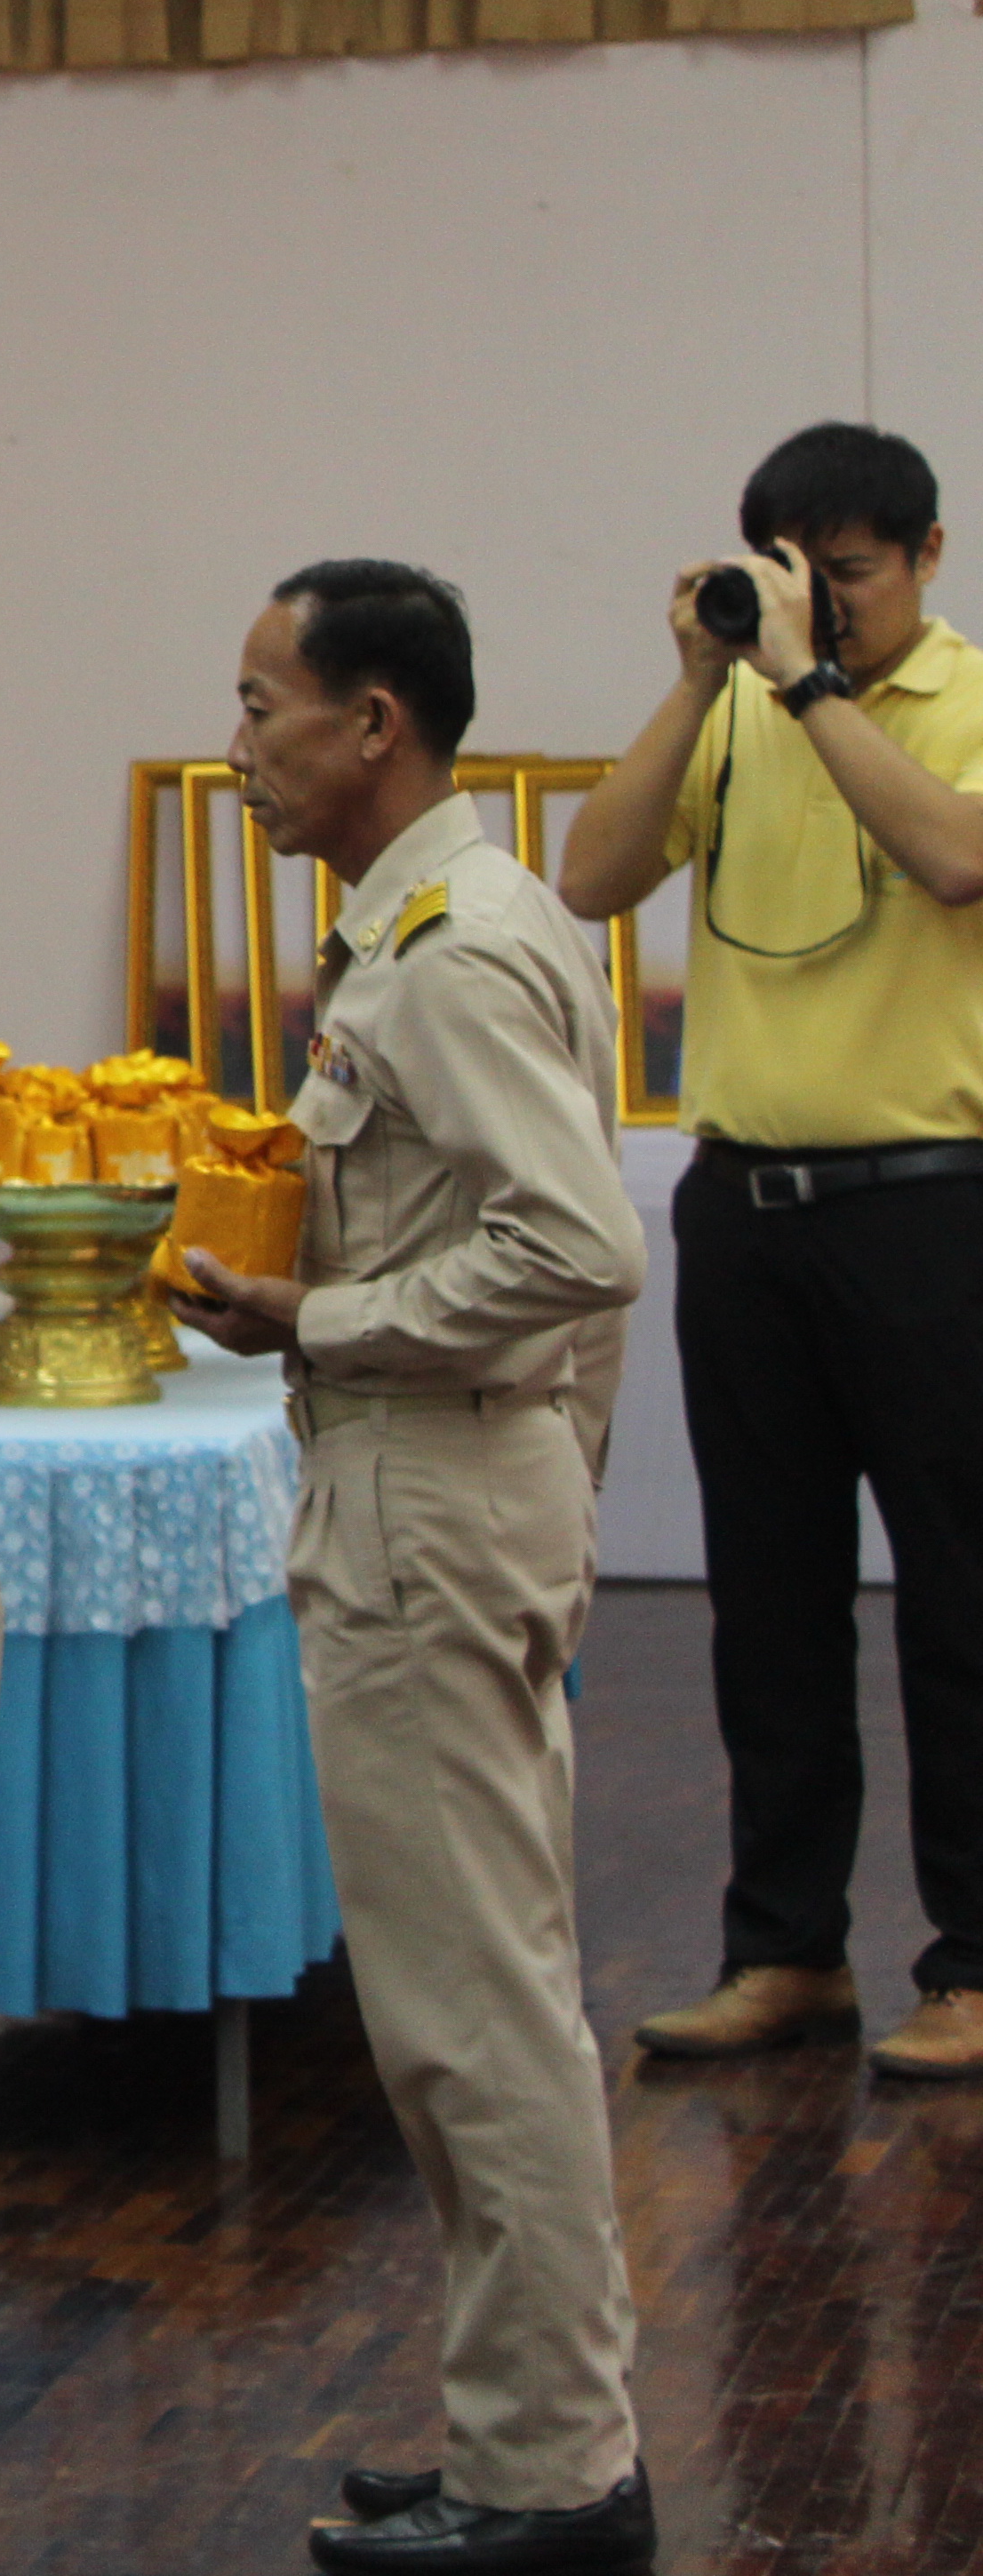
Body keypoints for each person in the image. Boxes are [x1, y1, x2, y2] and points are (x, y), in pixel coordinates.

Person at [172, 561, 654, 2576]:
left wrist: (320, 1321)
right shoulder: (458, 913)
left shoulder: (446, 953)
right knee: (469, 2003)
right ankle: (522, 2431)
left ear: (372, 721)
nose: (235, 745)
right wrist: (555, 1483)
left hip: (425, 1495)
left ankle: (549, 2482)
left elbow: (577, 1246)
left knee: (471, 2017)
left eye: (260, 703)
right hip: (461, 1483)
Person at [558, 420, 983, 2084]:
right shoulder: (734, 710)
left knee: (957, 1603)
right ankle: (784, 1950)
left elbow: (955, 858)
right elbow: (591, 877)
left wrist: (807, 686)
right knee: (769, 1606)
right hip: (744, 1210)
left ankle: (972, 1964)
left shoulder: (961, 699)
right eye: (801, 576)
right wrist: (699, 682)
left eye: (853, 574)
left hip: (932, 1207)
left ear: (927, 555)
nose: (829, 604)